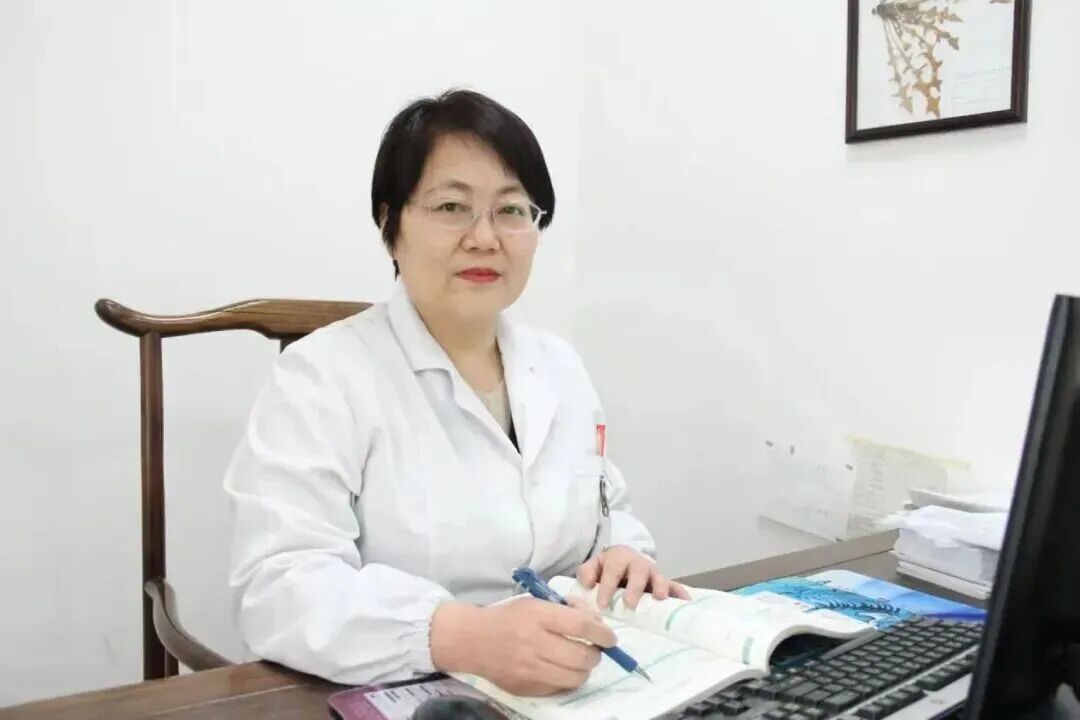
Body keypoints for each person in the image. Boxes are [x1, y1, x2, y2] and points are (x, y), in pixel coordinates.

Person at [225, 89, 687, 697]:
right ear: (390, 226)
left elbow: (605, 506)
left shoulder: (560, 366)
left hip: (571, 686)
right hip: (404, 690)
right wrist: (462, 637)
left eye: (512, 210)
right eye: (451, 206)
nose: (484, 237)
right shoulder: (321, 376)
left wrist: (624, 553)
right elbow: (277, 587)